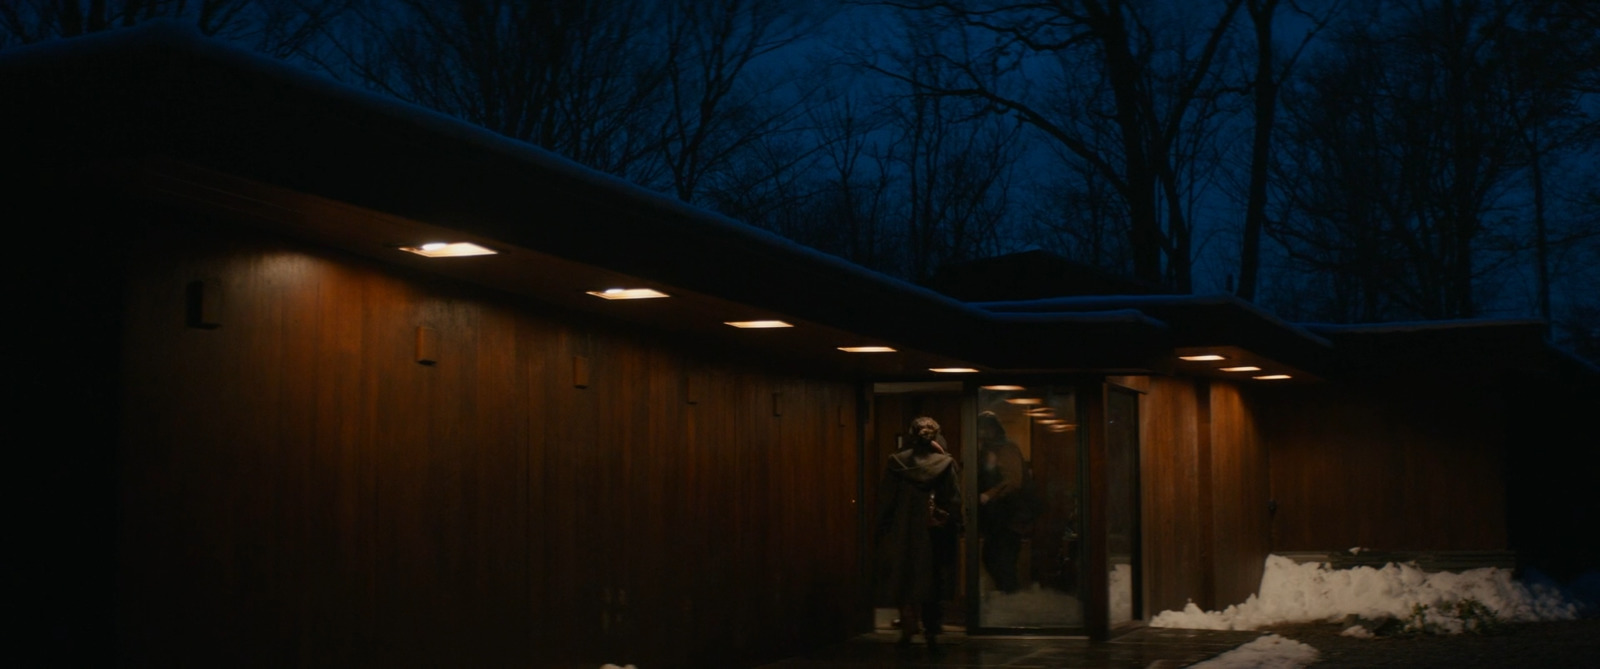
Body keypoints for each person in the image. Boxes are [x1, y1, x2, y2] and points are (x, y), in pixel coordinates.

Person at [874, 416, 963, 650]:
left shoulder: (897, 463)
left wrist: (881, 529)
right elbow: (953, 500)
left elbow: (886, 501)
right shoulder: (945, 464)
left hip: (904, 531)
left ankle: (907, 626)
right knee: (934, 578)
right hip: (935, 532)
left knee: (904, 577)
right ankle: (932, 629)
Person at [977, 410, 1032, 593]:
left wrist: (988, 495)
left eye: (985, 430)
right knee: (994, 559)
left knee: (1003, 562)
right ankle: (1008, 603)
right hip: (999, 517)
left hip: (1009, 517)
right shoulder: (992, 449)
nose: (982, 434)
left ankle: (1011, 605)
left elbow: (1013, 481)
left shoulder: (1005, 448)